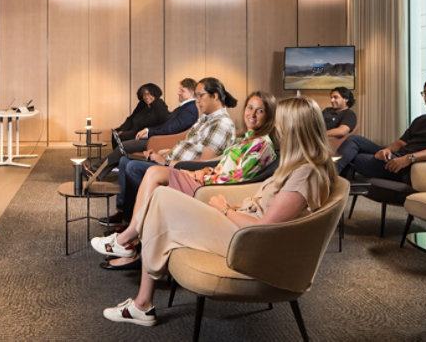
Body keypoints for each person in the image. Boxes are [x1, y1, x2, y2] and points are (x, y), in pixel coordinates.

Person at [97, 96, 336, 327]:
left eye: (281, 124)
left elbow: (265, 226)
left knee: (162, 198)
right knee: (161, 197)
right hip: (244, 226)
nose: (278, 129)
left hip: (250, 242)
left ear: (297, 129)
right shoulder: (298, 165)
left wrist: (224, 210)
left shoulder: (305, 173)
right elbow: (266, 208)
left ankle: (133, 269)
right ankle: (140, 291)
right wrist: (233, 206)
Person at [96, 91, 278, 270]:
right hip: (207, 177)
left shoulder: (262, 146)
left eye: (260, 111)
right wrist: (206, 169)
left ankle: (128, 239)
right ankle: (131, 239)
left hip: (211, 189)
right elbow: (224, 165)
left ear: (268, 116)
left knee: (151, 176)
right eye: (250, 108)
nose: (252, 114)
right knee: (150, 173)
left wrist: (198, 173)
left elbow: (236, 179)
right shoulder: (246, 139)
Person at [109, 77, 237, 226]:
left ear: (214, 96)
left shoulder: (220, 124)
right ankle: (127, 215)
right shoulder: (206, 119)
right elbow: (187, 144)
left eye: (200, 95)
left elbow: (203, 164)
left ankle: (140, 222)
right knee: (125, 161)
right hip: (171, 161)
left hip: (182, 170)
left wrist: (167, 162)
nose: (197, 100)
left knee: (133, 167)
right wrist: (162, 154)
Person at [335, 76, 426, 183]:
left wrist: (409, 158)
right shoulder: (421, 119)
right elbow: (401, 143)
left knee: (354, 158)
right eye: (425, 92)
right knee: (354, 140)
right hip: (398, 156)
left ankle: (330, 180)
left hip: (411, 167)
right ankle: (333, 179)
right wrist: (387, 149)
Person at [96, 78, 198, 180]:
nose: (178, 93)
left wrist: (150, 132)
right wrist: (148, 130)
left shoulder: (190, 109)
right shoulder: (185, 107)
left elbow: (172, 129)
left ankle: (97, 169)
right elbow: (167, 126)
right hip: (158, 138)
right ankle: (99, 172)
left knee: (124, 146)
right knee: (123, 146)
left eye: (182, 91)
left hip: (161, 141)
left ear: (191, 93)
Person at [111, 83, 170, 147]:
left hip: (144, 133)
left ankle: (121, 155)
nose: (146, 97)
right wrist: (122, 129)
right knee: (115, 133)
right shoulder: (142, 104)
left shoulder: (159, 104)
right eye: (144, 94)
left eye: (149, 94)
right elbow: (131, 118)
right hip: (134, 130)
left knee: (122, 136)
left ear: (155, 94)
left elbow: (164, 122)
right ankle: (120, 155)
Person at [322, 86, 357, 152]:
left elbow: (342, 131)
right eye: (331, 98)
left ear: (346, 99)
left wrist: (320, 134)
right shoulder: (327, 110)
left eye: (335, 97)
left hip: (327, 143)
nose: (332, 100)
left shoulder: (349, 114)